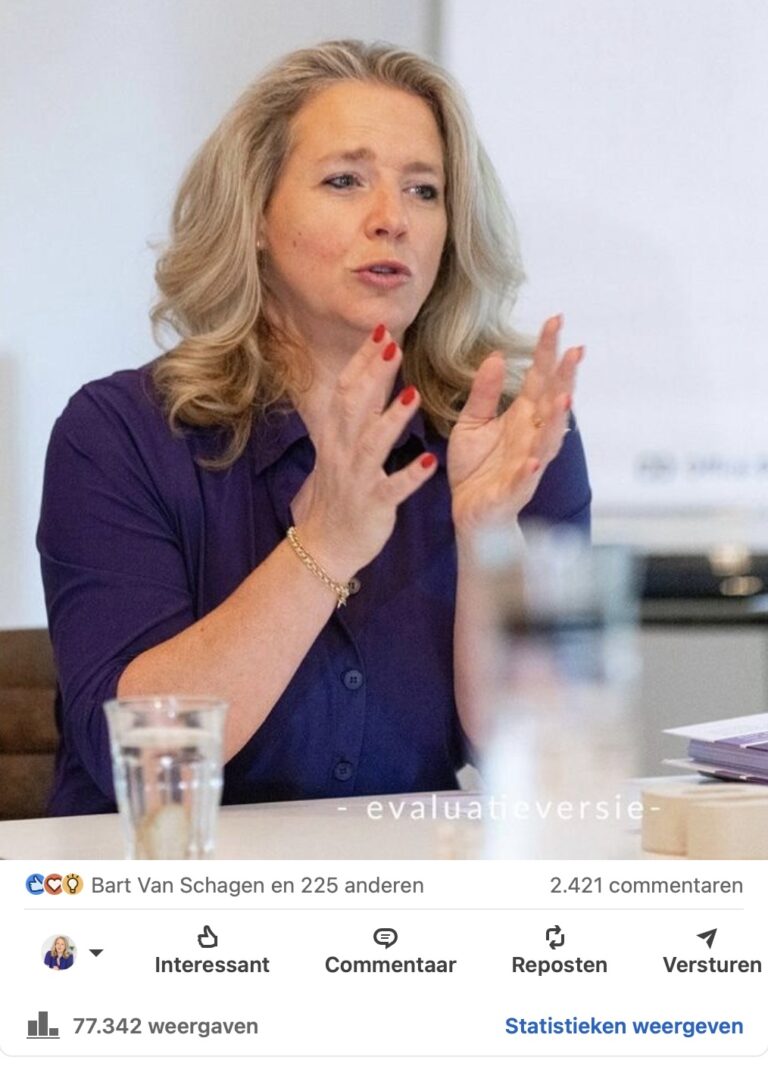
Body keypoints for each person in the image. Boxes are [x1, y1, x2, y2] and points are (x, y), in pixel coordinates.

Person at [38, 39, 590, 817]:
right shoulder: (120, 435)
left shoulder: (506, 437)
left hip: (393, 882)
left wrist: (488, 537)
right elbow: (141, 752)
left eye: (424, 190)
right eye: (344, 181)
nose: (392, 220)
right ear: (255, 217)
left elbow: (536, 758)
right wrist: (324, 546)